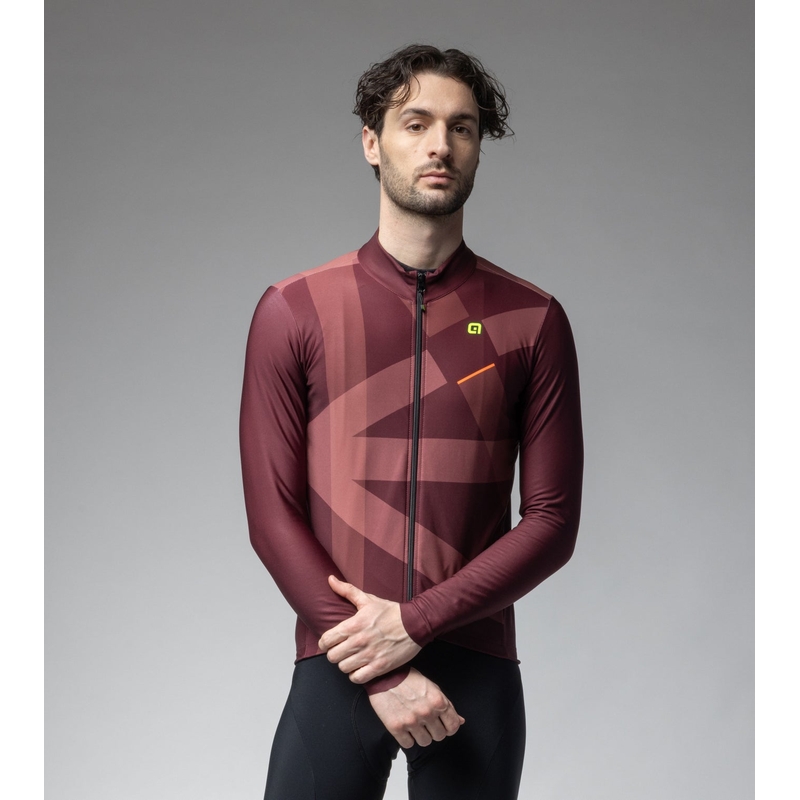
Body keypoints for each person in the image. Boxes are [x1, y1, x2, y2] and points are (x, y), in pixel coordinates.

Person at [240, 44, 583, 800]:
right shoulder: (294, 311)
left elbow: (553, 522)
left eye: (462, 128)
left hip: (475, 671)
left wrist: (416, 622)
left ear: (479, 148)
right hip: (342, 665)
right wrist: (383, 667)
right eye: (416, 123)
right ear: (372, 141)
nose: (440, 145)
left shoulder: (531, 320)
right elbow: (271, 516)